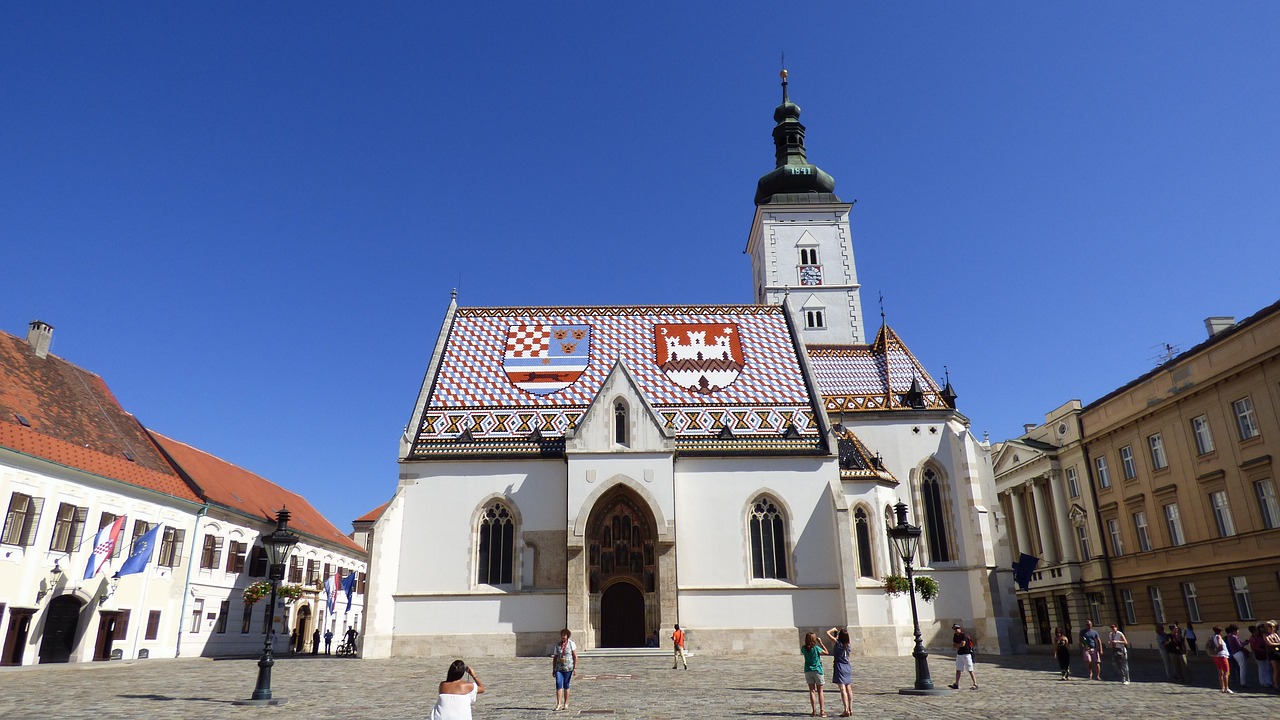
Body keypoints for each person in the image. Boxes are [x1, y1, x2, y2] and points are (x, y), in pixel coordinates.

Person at [825, 627, 852, 717]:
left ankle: (846, 709)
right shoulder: (848, 644)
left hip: (839, 666)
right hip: (847, 666)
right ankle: (850, 708)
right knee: (849, 688)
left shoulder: (838, 643)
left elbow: (827, 633)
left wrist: (833, 629)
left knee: (842, 688)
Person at [801, 631, 828, 717]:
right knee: (820, 691)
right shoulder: (816, 648)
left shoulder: (803, 648)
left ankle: (814, 711)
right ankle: (822, 711)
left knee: (812, 691)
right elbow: (826, 652)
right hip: (817, 670)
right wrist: (821, 643)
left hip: (808, 670)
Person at [552, 628, 578, 712]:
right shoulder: (558, 645)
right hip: (559, 668)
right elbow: (555, 657)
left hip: (568, 667)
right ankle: (559, 704)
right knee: (558, 684)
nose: (563, 637)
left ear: (567, 636)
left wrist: (575, 668)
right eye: (562, 635)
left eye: (564, 635)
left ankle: (566, 703)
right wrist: (554, 669)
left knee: (566, 684)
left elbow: (575, 656)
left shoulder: (571, 644)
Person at [949, 623, 977, 690]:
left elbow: (963, 644)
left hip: (966, 654)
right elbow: (954, 645)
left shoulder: (964, 635)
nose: (956, 630)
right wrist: (958, 645)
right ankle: (956, 684)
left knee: (970, 669)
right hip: (959, 654)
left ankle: (975, 684)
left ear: (960, 629)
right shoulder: (955, 636)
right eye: (954, 629)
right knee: (958, 669)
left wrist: (957, 645)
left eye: (957, 629)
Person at [1208, 626, 1233, 694]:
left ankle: (1222, 687)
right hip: (1222, 656)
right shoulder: (1218, 636)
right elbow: (1220, 644)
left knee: (1220, 672)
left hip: (1216, 656)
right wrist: (1220, 648)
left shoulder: (1212, 636)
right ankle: (1226, 688)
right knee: (1226, 672)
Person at [1265, 620, 1280, 692]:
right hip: (1272, 653)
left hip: (1278, 652)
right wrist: (1277, 644)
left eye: (1272, 627)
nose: (1271, 629)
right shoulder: (1266, 636)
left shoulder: (1276, 635)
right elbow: (1269, 644)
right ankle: (1276, 685)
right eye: (1269, 627)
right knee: (1276, 669)